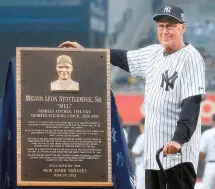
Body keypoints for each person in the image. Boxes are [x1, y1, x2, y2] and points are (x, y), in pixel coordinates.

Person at [59, 5, 205, 189]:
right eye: (161, 26)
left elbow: (191, 103)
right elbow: (121, 57)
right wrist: (85, 52)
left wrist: (178, 139)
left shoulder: (191, 57)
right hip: (154, 155)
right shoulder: (153, 53)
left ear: (182, 28)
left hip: (178, 155)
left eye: (170, 26)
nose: (165, 31)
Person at [199, 114, 215, 189]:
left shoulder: (207, 133)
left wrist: (203, 161)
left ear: (212, 121)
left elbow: (202, 152)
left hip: (211, 165)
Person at [131, 118, 145, 189]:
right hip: (153, 167)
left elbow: (135, 152)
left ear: (142, 126)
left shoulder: (142, 137)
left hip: (142, 168)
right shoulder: (154, 135)